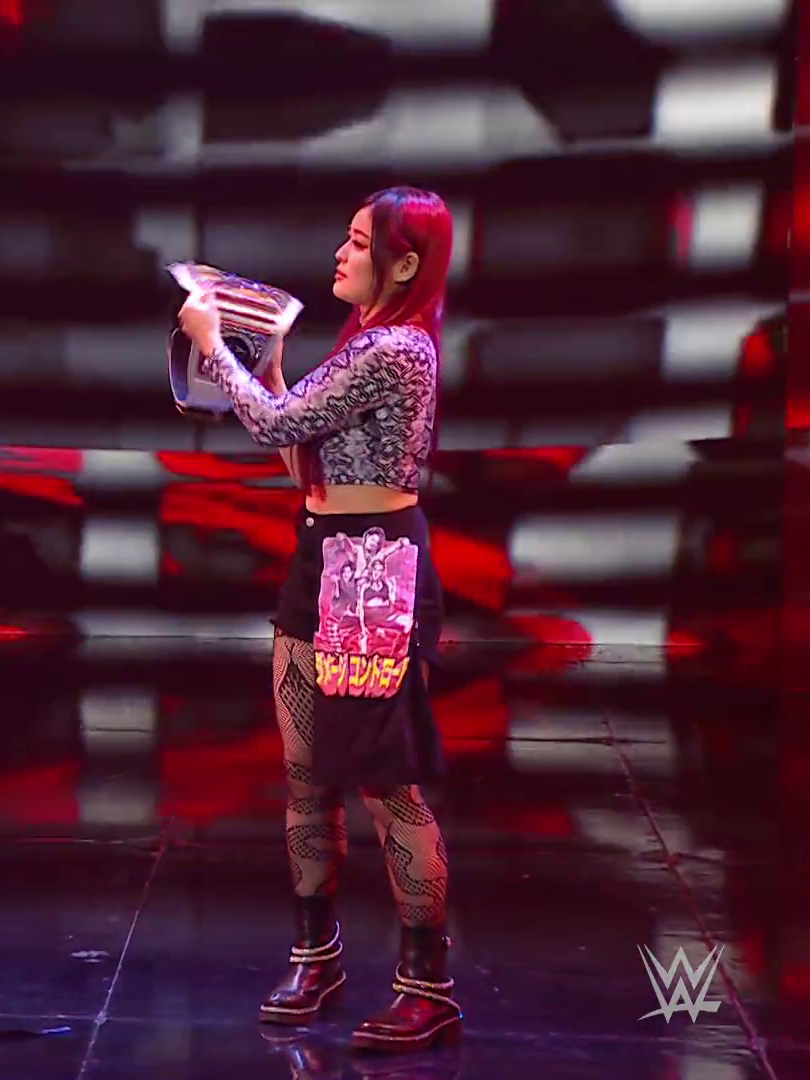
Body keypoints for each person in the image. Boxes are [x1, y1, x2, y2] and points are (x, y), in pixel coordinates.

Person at [176, 186, 460, 1053]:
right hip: (320, 558)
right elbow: (301, 444)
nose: (340, 253)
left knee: (387, 785)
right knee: (305, 776)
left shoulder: (397, 348)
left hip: (373, 574)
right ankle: (316, 955)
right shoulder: (364, 342)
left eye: (358, 242)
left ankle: (427, 985)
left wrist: (214, 344)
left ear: (403, 264)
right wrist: (265, 365)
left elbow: (273, 424)